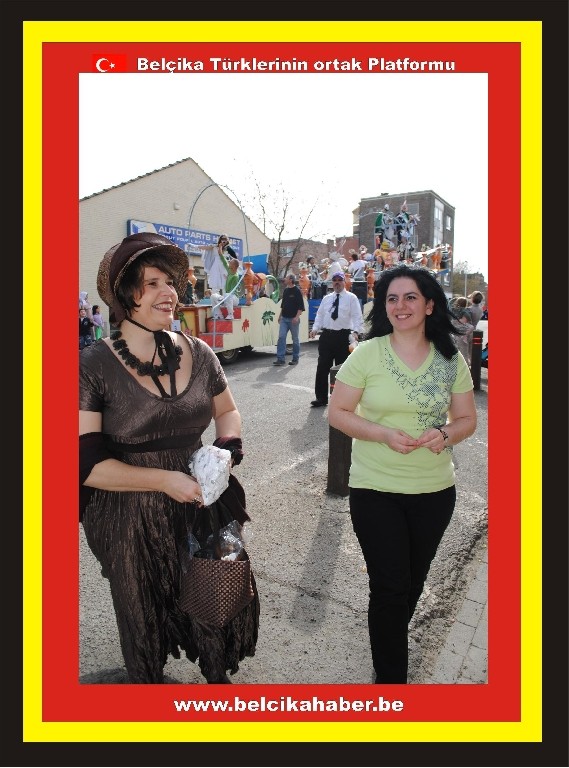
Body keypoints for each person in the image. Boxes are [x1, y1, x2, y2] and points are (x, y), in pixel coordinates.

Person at [79, 232, 259, 684]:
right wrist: (163, 481)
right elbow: (86, 464)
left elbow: (227, 410)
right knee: (142, 610)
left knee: (214, 595)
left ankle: (217, 685)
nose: (170, 292)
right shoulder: (91, 366)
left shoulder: (200, 352)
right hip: (129, 512)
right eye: (153, 283)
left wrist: (227, 448)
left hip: (201, 500)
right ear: (126, 296)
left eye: (171, 282)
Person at [328, 264, 476, 684]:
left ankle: (388, 639)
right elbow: (338, 413)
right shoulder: (367, 353)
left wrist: (444, 434)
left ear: (429, 305)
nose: (400, 305)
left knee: (411, 584)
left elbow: (467, 420)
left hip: (434, 492)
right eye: (392, 298)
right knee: (390, 586)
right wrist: (382, 434)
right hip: (375, 489)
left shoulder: (450, 359)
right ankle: (392, 682)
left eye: (411, 297)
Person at [308, 271, 364, 407]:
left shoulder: (351, 298)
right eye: (335, 280)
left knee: (342, 370)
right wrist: (315, 328)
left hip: (343, 337)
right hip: (327, 336)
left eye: (340, 280)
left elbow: (357, 316)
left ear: (344, 282)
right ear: (332, 283)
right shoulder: (327, 298)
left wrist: (356, 331)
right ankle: (321, 398)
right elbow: (320, 315)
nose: (337, 282)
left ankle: (341, 400)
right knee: (322, 368)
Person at [273, 273, 305, 366]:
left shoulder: (297, 291)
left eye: (286, 278)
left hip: (293, 320)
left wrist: (296, 317)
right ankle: (280, 359)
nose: (284, 279)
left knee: (295, 339)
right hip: (284, 319)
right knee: (281, 337)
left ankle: (295, 358)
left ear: (291, 280)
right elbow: (283, 305)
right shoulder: (286, 290)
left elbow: (301, 306)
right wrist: (280, 316)